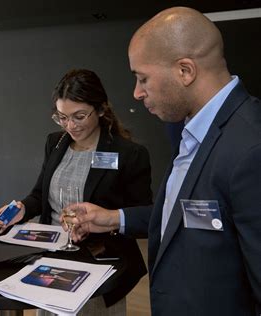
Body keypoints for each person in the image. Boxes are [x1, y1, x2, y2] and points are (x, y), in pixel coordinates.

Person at [66, 7, 261, 316]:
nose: (137, 93)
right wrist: (113, 218)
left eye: (143, 78)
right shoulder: (189, 130)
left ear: (185, 71)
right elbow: (184, 216)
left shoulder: (251, 147)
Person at [0, 69, 153, 315]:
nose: (70, 126)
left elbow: (144, 216)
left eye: (79, 116)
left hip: (99, 265)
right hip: (51, 261)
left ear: (100, 110)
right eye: (62, 117)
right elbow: (40, 195)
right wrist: (23, 209)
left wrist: (107, 218)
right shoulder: (55, 143)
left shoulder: (130, 154)